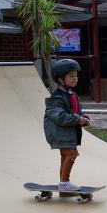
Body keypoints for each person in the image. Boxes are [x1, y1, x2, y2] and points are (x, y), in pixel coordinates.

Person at [44, 59, 90, 191]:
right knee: (71, 153)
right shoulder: (57, 97)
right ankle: (64, 182)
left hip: (69, 133)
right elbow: (58, 116)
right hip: (60, 133)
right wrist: (77, 119)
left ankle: (63, 182)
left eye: (76, 75)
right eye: (71, 76)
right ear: (60, 79)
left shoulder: (73, 95)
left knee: (65, 156)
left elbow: (78, 111)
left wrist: (84, 118)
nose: (75, 78)